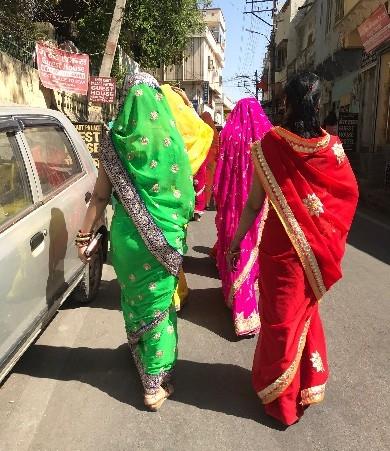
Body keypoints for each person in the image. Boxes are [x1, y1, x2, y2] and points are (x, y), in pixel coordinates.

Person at [227, 73, 359, 425]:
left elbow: (254, 204)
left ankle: (281, 397)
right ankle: (295, 388)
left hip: (279, 252)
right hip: (311, 254)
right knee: (297, 318)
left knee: (279, 323)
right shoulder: (332, 149)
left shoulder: (270, 144)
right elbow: (348, 195)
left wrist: (236, 242)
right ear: (318, 105)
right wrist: (325, 237)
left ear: (286, 103)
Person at [76, 72, 195, 411]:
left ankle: (142, 358)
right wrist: (174, 227)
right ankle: (154, 385)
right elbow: (187, 196)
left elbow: (99, 199)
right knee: (159, 306)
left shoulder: (116, 139)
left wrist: (83, 237)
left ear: (127, 100)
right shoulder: (171, 140)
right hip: (166, 242)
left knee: (135, 301)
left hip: (127, 245)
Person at [213, 98, 271, 336]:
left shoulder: (227, 133)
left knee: (233, 246)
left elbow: (219, 170)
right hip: (256, 205)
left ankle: (234, 301)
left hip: (231, 203)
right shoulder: (267, 134)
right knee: (251, 251)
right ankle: (247, 313)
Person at [160, 84, 213, 309]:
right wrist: (188, 104)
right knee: (173, 243)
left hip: (147, 205)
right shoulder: (186, 133)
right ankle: (176, 292)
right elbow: (202, 130)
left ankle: (166, 296)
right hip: (177, 199)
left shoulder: (148, 127)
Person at [192, 112, 220, 220]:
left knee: (200, 181)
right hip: (212, 161)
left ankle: (200, 204)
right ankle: (208, 202)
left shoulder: (200, 129)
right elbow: (218, 146)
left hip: (202, 157)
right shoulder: (214, 132)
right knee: (209, 181)